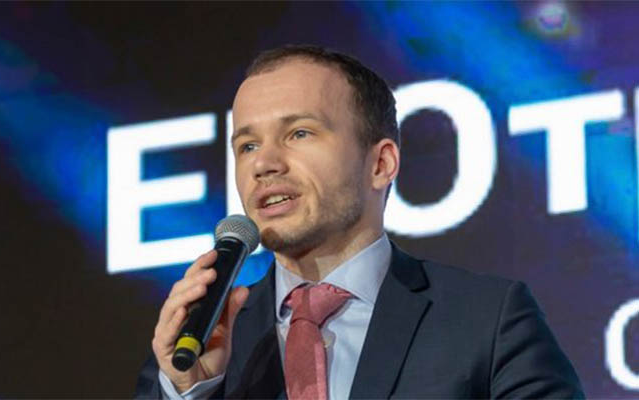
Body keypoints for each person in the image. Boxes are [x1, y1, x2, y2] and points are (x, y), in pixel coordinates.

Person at [136, 45, 584, 399]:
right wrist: (192, 391)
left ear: (381, 164)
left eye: (299, 133)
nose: (264, 164)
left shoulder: (487, 320)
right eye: (247, 146)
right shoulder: (196, 348)